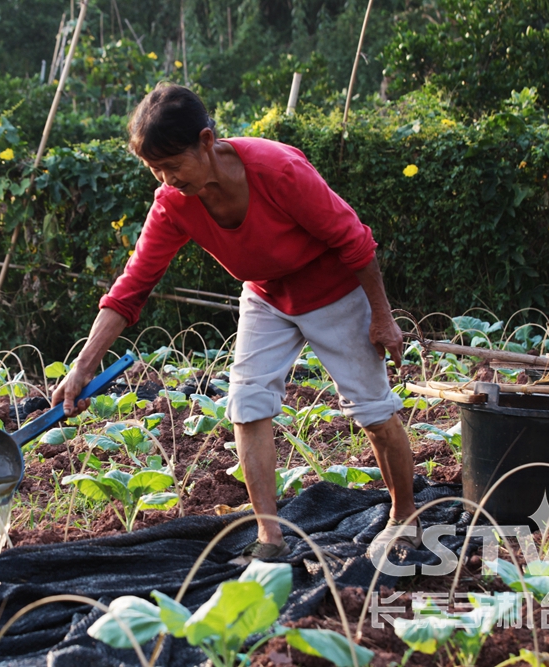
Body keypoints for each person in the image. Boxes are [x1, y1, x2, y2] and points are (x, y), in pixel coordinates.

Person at [50, 84, 418, 560]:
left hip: (333, 290)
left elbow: (356, 241)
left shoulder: (279, 170)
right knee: (246, 403)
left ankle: (404, 516)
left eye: (172, 165)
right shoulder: (172, 203)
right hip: (266, 294)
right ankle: (270, 538)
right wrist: (82, 365)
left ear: (206, 142)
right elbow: (132, 287)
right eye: (155, 171)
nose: (166, 179)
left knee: (372, 411)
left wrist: (383, 319)